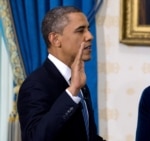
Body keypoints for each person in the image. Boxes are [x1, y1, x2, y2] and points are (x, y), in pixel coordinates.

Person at [17, 6, 105, 141]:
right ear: (55, 39)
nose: (89, 36)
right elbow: (34, 138)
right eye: (81, 30)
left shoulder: (78, 81)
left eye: (88, 29)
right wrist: (72, 92)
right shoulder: (35, 85)